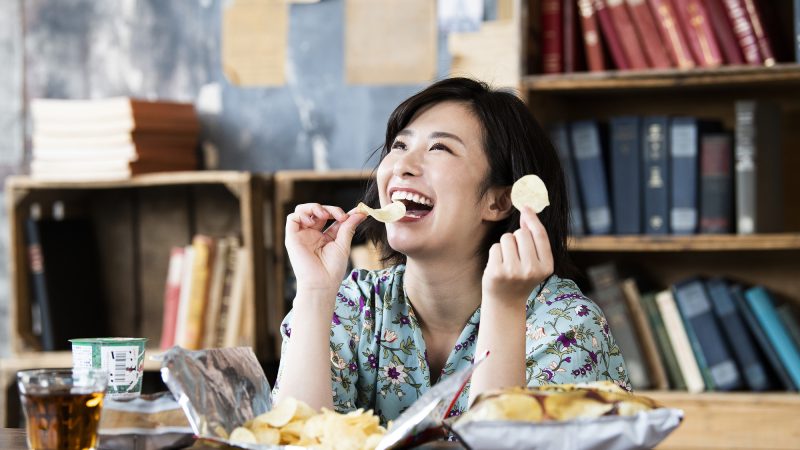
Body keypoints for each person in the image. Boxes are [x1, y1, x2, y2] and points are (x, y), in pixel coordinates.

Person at [273, 77, 630, 423]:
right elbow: (295, 440)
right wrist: (315, 291)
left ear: (499, 202)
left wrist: (505, 307)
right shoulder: (349, 306)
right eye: (399, 146)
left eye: (439, 148)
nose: (402, 166)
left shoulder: (567, 326)